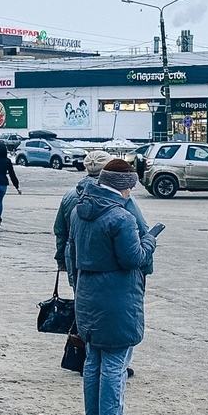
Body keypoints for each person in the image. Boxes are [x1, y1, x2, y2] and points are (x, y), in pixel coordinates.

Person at [67, 159, 157, 415]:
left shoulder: (79, 212)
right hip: (116, 295)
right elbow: (134, 259)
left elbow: (70, 251)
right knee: (116, 362)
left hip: (87, 291)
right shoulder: (121, 217)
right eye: (131, 186)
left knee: (93, 359)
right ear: (124, 186)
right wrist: (150, 241)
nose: (132, 192)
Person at [54, 150, 151, 378]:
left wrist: (62, 260)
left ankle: (83, 357)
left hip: (79, 261)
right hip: (112, 272)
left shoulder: (71, 196)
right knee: (112, 325)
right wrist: (146, 263)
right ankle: (114, 366)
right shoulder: (120, 200)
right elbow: (139, 233)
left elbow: (60, 230)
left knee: (87, 312)